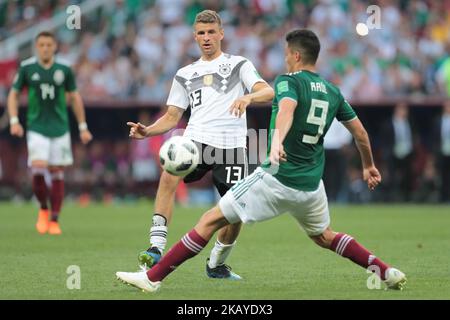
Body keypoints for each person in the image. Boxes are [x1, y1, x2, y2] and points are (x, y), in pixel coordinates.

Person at [117, 29, 406, 292]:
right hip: (310, 186)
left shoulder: (287, 83)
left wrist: (276, 142)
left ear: (295, 55)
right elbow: (361, 134)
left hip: (276, 177)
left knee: (209, 219)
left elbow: (286, 112)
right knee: (325, 236)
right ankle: (385, 271)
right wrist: (368, 165)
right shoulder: (333, 91)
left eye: (285, 54)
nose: (284, 59)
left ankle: (152, 278)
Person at [126, 10, 274, 279]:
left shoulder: (240, 64)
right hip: (196, 141)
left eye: (211, 32)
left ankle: (217, 264)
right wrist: (148, 131)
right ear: (195, 36)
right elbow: (172, 116)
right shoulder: (185, 73)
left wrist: (249, 99)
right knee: (168, 177)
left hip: (231, 147)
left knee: (235, 211)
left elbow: (268, 90)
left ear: (221, 34)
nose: (206, 38)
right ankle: (156, 247)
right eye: (201, 33)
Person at [7, 31, 92, 235]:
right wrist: (14, 121)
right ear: (37, 47)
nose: (45, 48)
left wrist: (82, 126)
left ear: (55, 47)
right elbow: (14, 94)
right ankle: (43, 210)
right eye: (42, 45)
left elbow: (74, 97)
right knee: (37, 168)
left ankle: (54, 219)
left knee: (57, 172)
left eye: (49, 45)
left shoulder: (64, 69)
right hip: (36, 127)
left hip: (60, 128)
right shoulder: (27, 67)